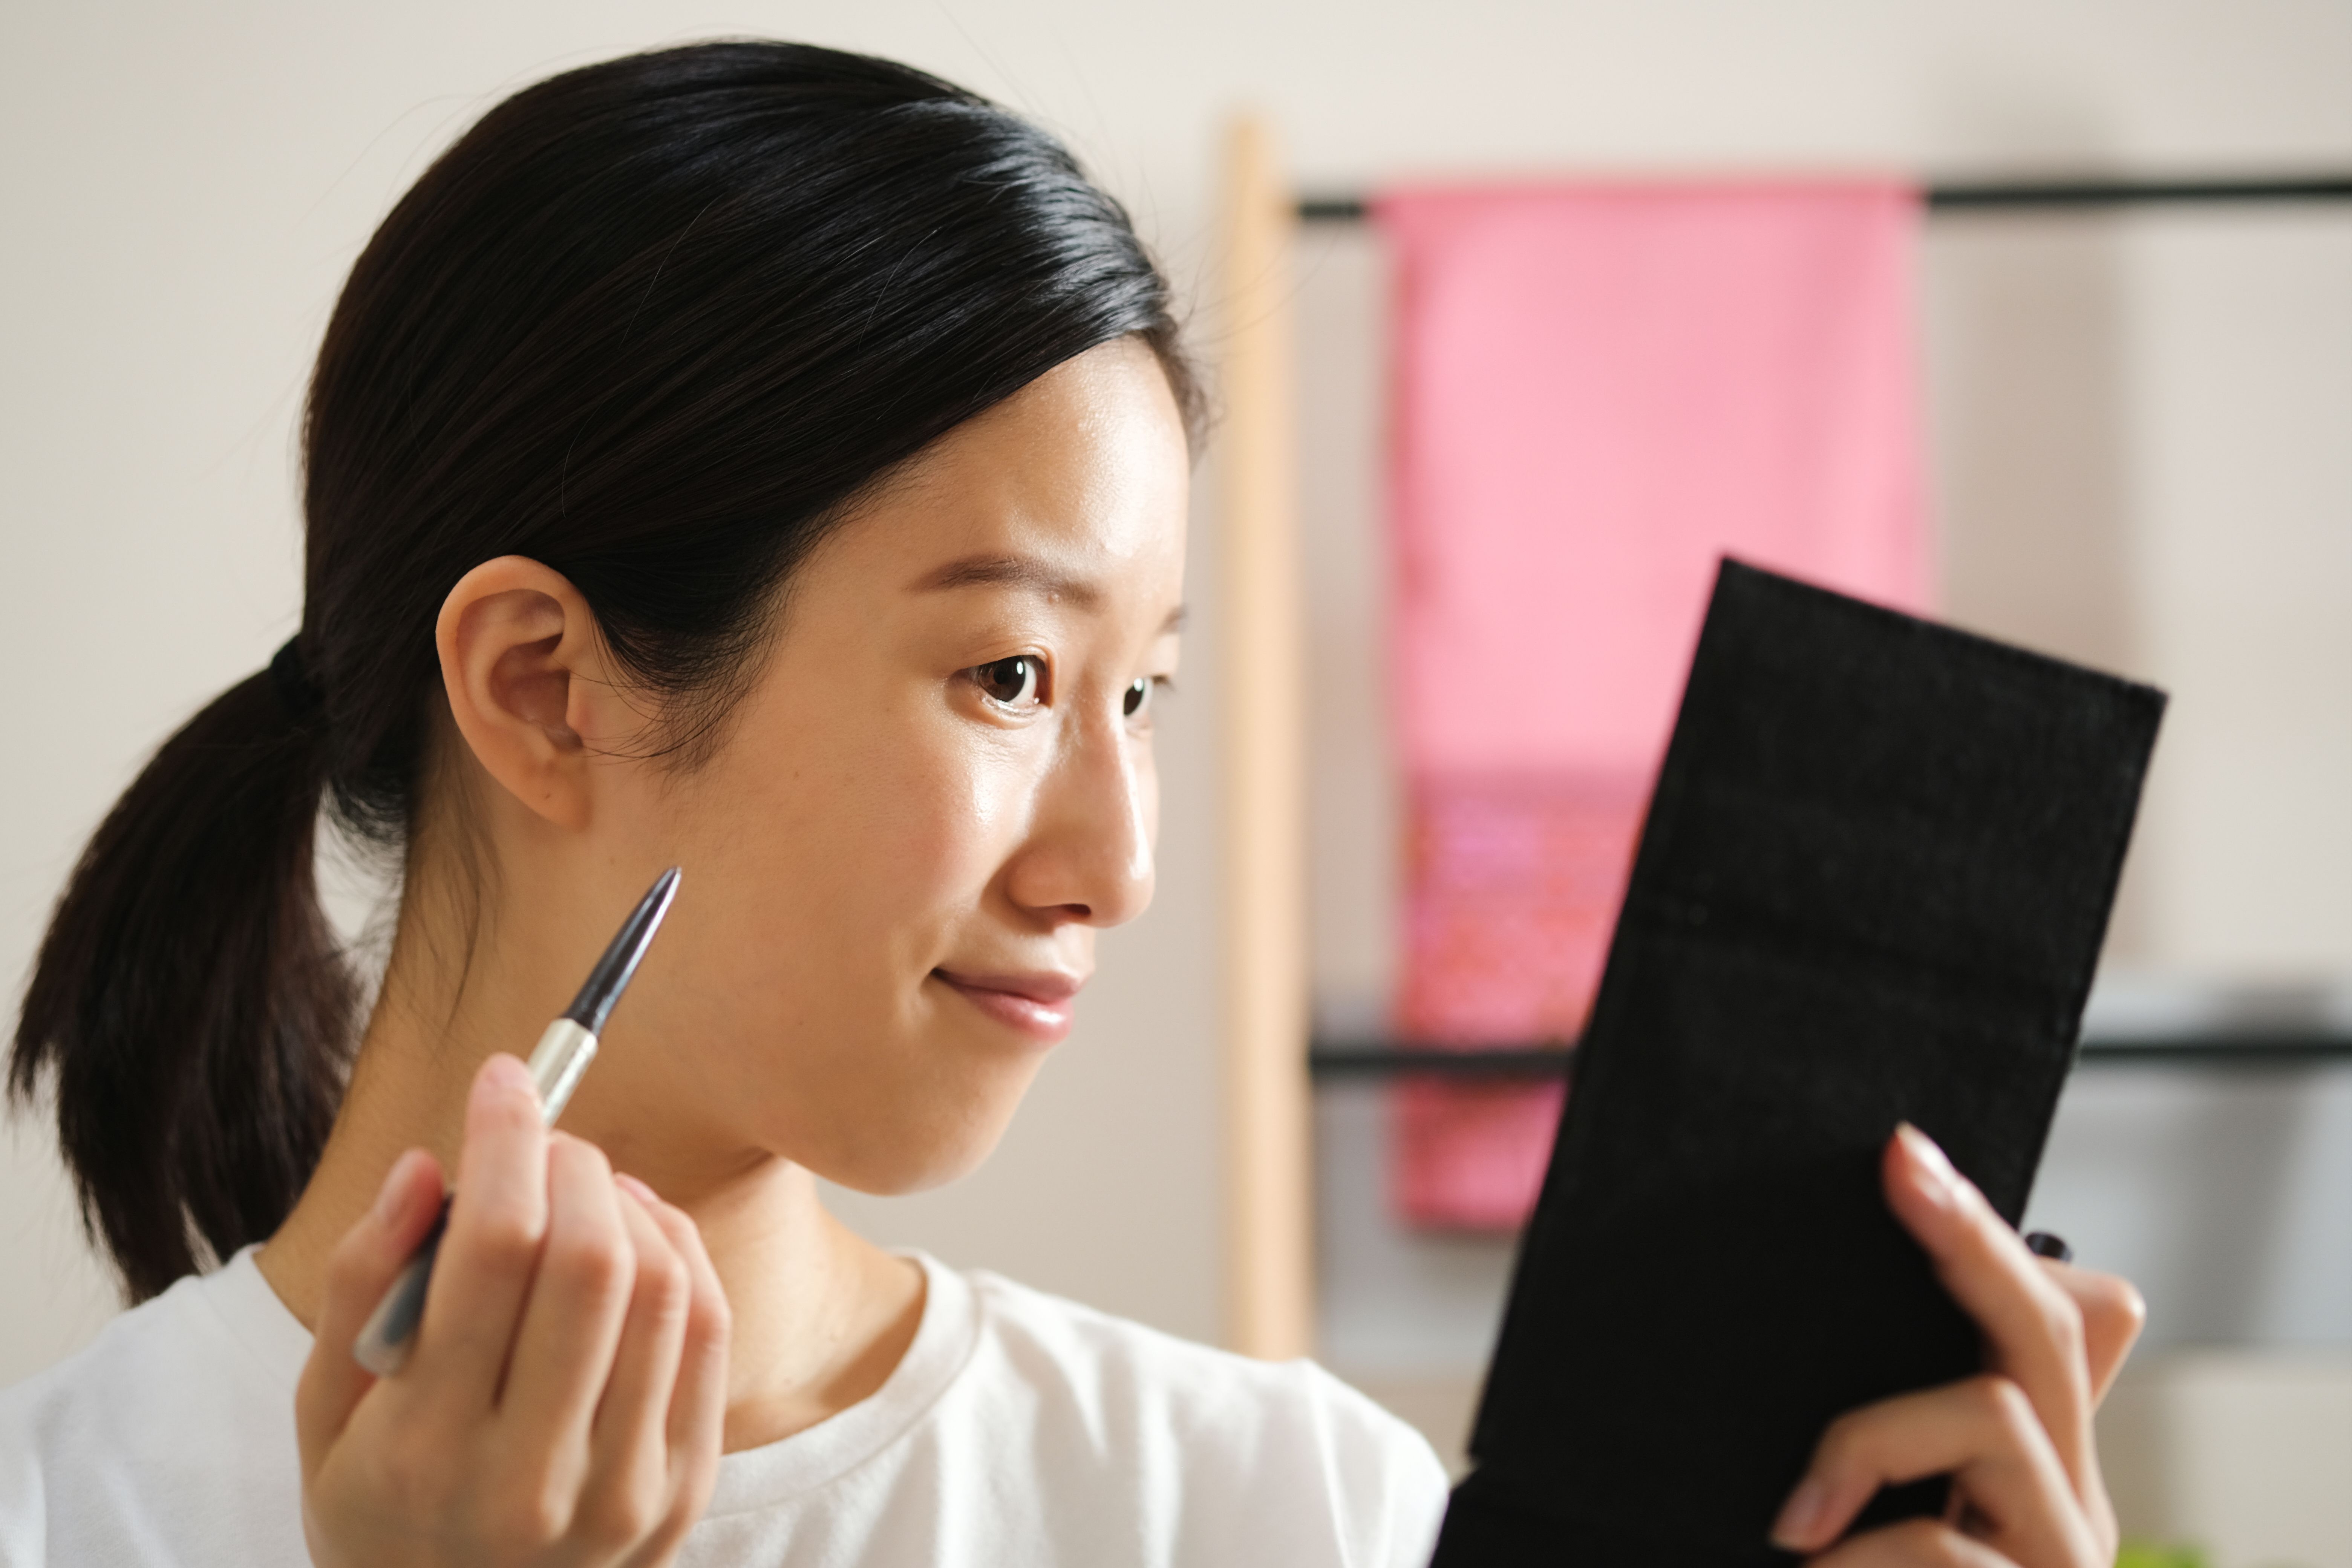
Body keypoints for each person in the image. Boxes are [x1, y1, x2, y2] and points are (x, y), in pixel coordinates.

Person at [0, 40, 2142, 1568]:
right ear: (544, 689)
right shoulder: (65, 1515)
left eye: (1149, 692)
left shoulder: (1289, 1518)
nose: (1120, 865)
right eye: (1011, 676)